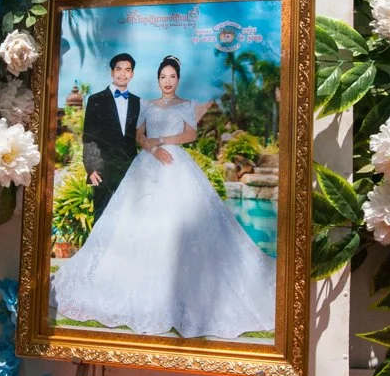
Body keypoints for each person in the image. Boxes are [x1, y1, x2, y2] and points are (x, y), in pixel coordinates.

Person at [52, 55, 277, 340]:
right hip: (146, 164)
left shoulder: (185, 105)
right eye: (163, 77)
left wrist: (162, 142)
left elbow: (190, 134)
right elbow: (138, 135)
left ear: (177, 79)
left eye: (172, 76)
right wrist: (150, 147)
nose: (167, 81)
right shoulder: (146, 105)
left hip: (177, 164)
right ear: (157, 80)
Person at [80, 52, 141, 218]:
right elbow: (89, 137)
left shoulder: (138, 102)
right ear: (112, 72)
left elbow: (141, 137)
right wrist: (91, 168)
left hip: (129, 169)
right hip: (103, 170)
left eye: (127, 70)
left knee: (128, 218)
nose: (123, 73)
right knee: (101, 217)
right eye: (119, 69)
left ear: (132, 74)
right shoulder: (95, 99)